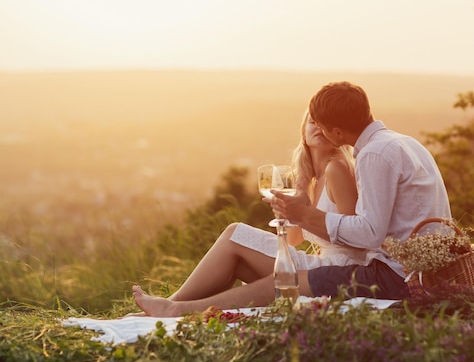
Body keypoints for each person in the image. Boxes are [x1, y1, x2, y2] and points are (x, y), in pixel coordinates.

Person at [133, 81, 451, 315]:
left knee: (286, 280)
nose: (320, 133)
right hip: (409, 269)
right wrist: (298, 209)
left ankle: (177, 311)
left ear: (338, 133)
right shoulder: (401, 142)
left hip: (396, 276)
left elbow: (369, 234)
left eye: (324, 128)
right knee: (270, 268)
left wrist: (306, 214)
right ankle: (176, 307)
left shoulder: (373, 155)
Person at [131, 111, 363, 316]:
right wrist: (290, 212)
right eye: (312, 121)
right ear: (303, 130)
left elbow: (353, 237)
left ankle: (170, 306)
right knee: (237, 257)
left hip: (336, 269)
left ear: (336, 132)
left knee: (235, 233)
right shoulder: (309, 178)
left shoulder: (337, 169)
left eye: (325, 123)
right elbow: (295, 239)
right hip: (321, 262)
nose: (318, 128)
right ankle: (170, 308)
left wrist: (302, 214)